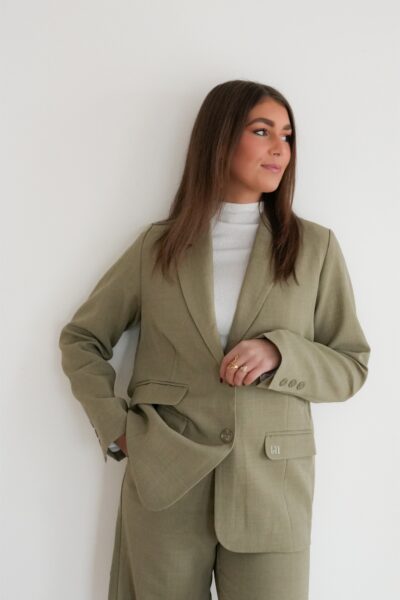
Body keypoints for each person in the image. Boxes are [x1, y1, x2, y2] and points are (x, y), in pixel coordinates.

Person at [58, 79, 371, 600]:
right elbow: (81, 338)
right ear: (221, 138)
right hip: (166, 483)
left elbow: (351, 366)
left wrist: (280, 354)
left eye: (288, 135)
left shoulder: (314, 248)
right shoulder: (159, 247)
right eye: (262, 131)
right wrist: (119, 430)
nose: (280, 148)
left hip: (271, 491)